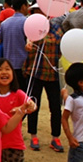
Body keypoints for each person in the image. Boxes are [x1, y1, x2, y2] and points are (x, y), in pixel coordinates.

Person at [24, 13, 63, 152]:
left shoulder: (57, 29)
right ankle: (33, 135)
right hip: (35, 72)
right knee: (34, 105)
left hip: (53, 75)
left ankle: (55, 137)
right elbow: (28, 44)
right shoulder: (33, 29)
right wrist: (29, 43)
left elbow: (60, 46)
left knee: (56, 107)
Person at [0, 0, 30, 91]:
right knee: (22, 92)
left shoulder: (5, 23)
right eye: (27, 6)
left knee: (10, 92)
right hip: (23, 65)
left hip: (8, 64)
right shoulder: (27, 22)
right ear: (23, 6)